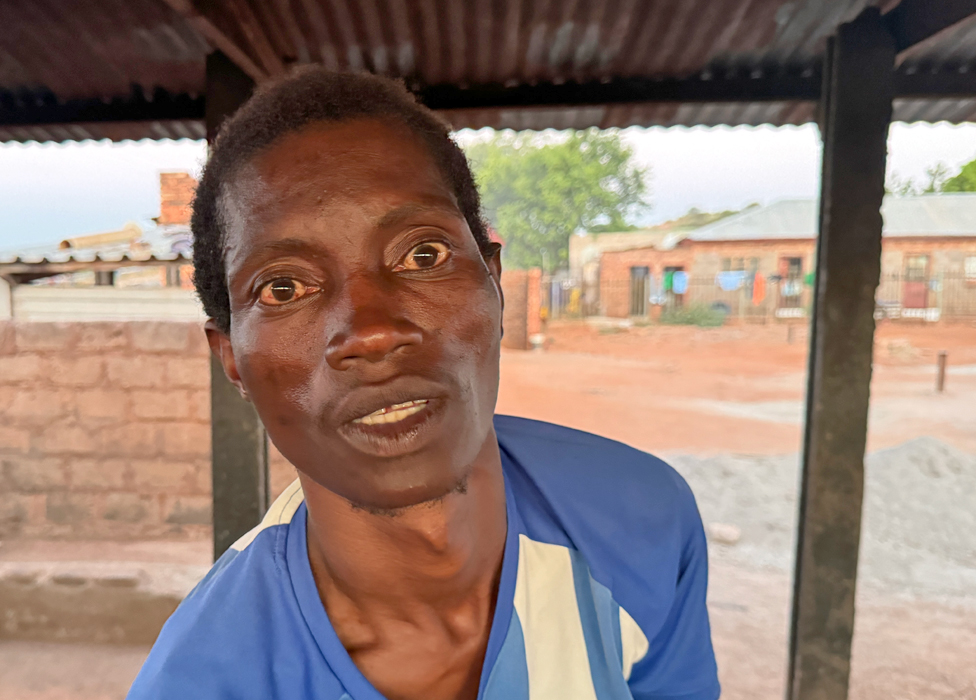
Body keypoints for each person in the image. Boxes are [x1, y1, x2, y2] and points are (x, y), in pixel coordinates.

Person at [127, 67, 719, 700]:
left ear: (492, 282)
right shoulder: (204, 680)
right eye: (283, 288)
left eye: (423, 255)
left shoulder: (639, 518)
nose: (373, 332)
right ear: (234, 360)